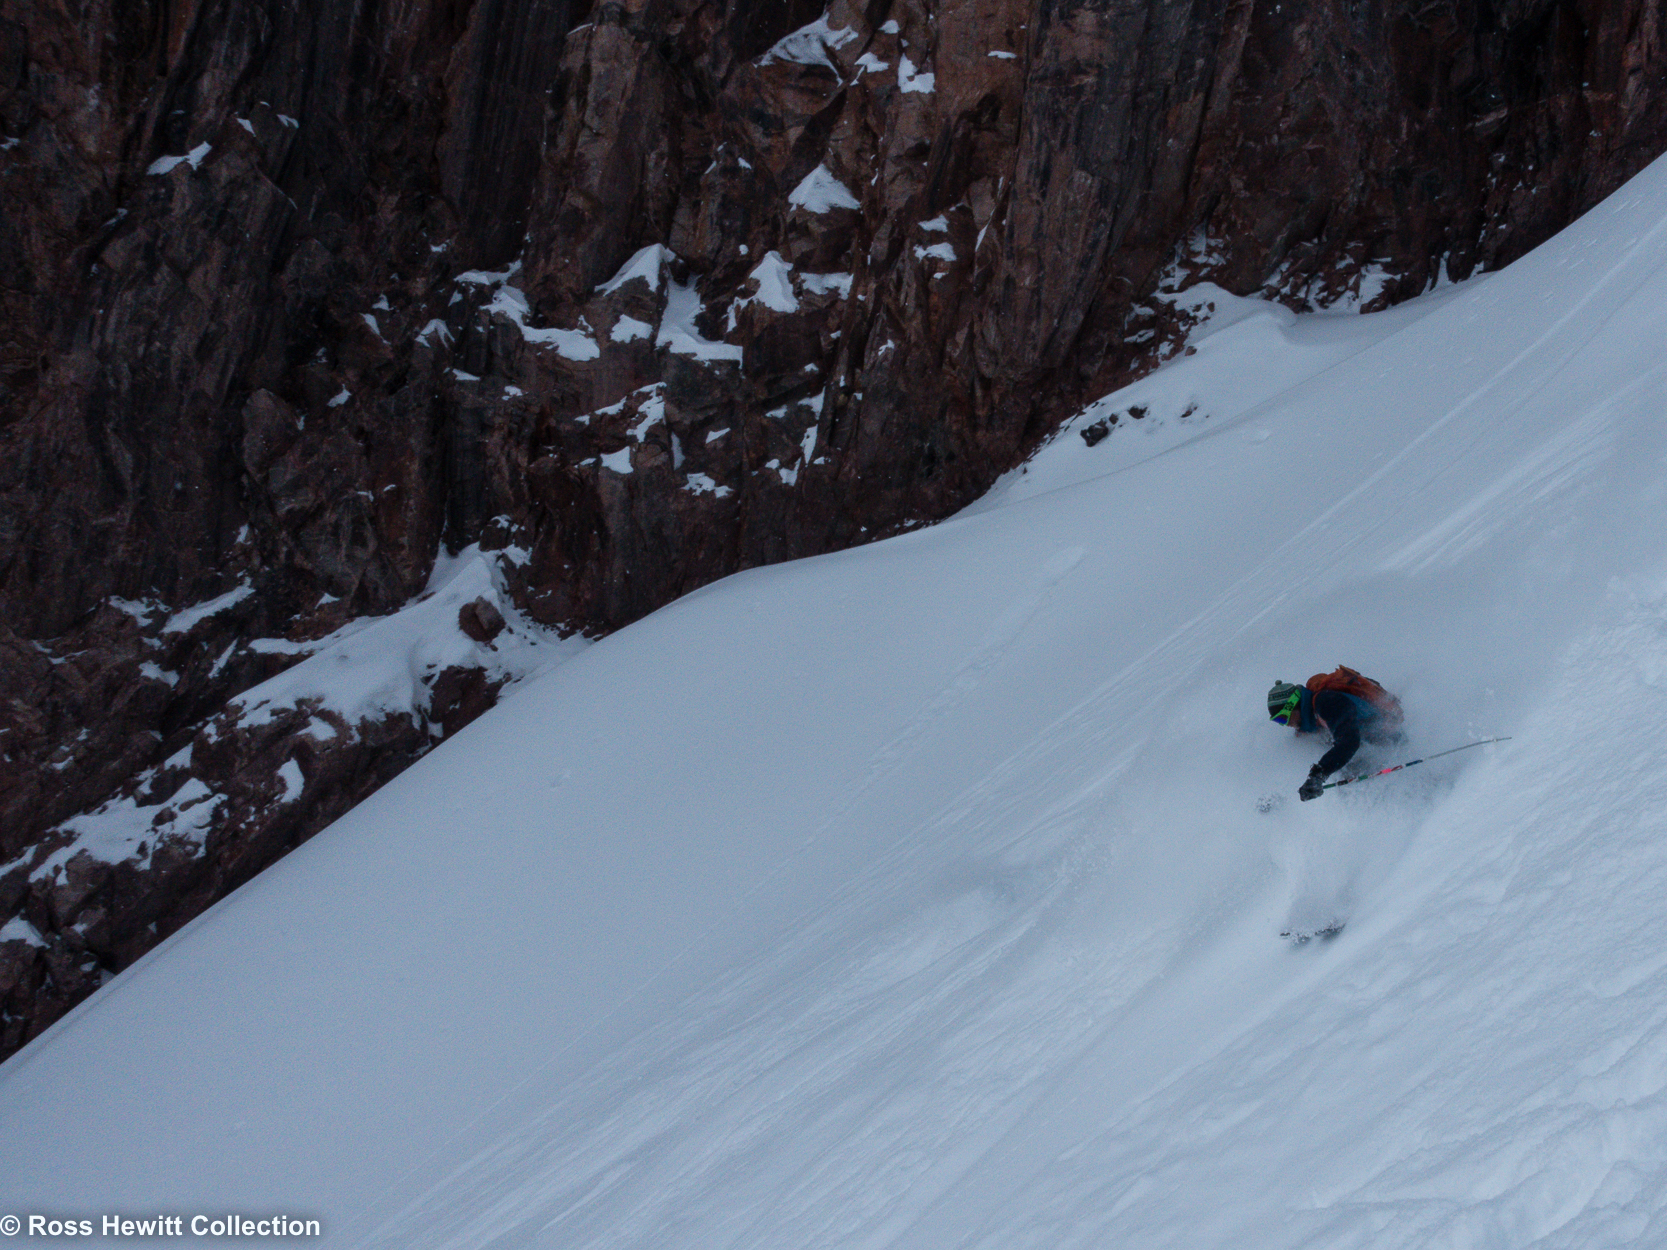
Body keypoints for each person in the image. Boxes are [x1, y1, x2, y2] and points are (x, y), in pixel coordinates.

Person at [1267, 667, 1404, 800]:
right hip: (1373, 747)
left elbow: (1349, 741)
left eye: (1283, 717)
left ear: (1292, 705)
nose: (1285, 724)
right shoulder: (1310, 723)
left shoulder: (1327, 702)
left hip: (1393, 742)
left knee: (1349, 776)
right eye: (1278, 720)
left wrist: (1318, 775)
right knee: (1347, 776)